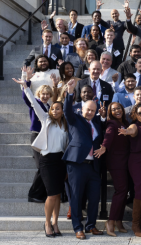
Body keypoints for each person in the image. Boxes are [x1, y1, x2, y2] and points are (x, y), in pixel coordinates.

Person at [14, 78, 68, 238]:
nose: (55, 111)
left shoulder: (65, 125)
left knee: (58, 194)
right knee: (51, 194)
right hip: (47, 161)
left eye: (58, 109)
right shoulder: (45, 119)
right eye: (53, 109)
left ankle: (56, 223)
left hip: (61, 161)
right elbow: (33, 103)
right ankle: (46, 223)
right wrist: (26, 87)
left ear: (63, 111)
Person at [62, 79, 106, 240]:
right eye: (88, 110)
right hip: (77, 164)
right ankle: (77, 227)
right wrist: (70, 91)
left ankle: (90, 226)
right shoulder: (75, 119)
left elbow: (102, 137)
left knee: (94, 198)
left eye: (93, 111)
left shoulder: (95, 123)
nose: (90, 113)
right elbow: (66, 110)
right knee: (76, 197)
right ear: (82, 109)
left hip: (93, 166)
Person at [117, 103, 141, 237]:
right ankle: (135, 224)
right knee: (140, 191)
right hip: (138, 161)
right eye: (139, 113)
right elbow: (131, 130)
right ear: (134, 114)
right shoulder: (135, 125)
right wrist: (127, 131)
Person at [98, 102, 131, 237]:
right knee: (121, 190)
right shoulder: (112, 124)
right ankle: (110, 221)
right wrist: (104, 147)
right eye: (114, 109)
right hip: (116, 162)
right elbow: (108, 136)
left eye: (119, 108)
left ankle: (118, 221)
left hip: (125, 161)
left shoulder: (125, 123)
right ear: (110, 112)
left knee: (124, 190)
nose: (117, 110)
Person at [21, 67, 51, 203]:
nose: (45, 96)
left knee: (45, 166)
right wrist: (27, 81)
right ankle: (33, 194)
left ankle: (41, 193)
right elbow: (26, 98)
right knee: (41, 167)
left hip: (47, 138)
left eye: (47, 94)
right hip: (36, 136)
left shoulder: (49, 107)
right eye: (43, 94)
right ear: (39, 94)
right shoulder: (36, 103)